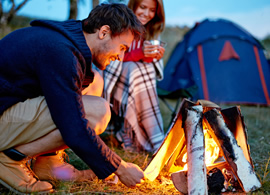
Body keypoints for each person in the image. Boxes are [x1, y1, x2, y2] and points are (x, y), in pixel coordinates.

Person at [0, 3, 145, 194]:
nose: (120, 56)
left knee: (94, 83)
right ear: (103, 32)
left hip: (9, 104)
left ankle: (49, 162)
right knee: (98, 112)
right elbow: (73, 125)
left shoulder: (67, 41)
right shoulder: (61, 52)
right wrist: (119, 167)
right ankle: (10, 159)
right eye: (122, 47)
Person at [100, 0, 166, 152]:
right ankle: (151, 138)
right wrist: (141, 53)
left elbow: (144, 61)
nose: (146, 13)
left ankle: (134, 134)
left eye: (151, 10)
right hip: (113, 76)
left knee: (145, 69)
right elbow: (111, 55)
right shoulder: (120, 24)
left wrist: (154, 56)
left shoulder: (150, 30)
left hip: (133, 80)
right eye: (142, 7)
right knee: (134, 70)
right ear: (133, 5)